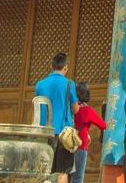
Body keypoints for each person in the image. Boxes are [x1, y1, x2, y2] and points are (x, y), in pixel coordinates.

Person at [35, 53, 77, 183]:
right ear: (65, 67)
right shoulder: (69, 84)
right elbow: (75, 109)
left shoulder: (40, 85)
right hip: (63, 134)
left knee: (44, 170)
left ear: (51, 66)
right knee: (62, 170)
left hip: (43, 133)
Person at [72, 81, 105, 183]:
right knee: (78, 177)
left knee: (67, 176)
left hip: (67, 145)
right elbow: (103, 125)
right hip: (80, 146)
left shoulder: (70, 108)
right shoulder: (87, 110)